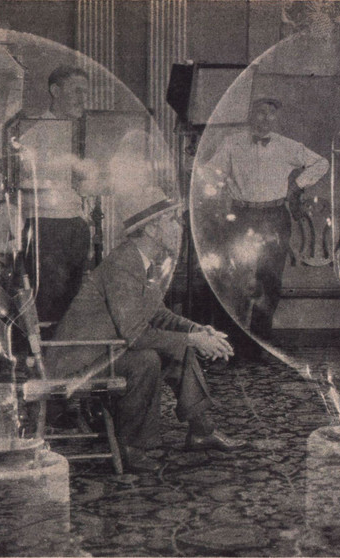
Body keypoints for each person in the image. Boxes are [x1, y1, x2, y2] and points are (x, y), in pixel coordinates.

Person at [45, 190, 246, 473]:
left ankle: (201, 430)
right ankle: (132, 448)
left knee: (179, 346)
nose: (179, 225)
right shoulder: (123, 264)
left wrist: (196, 330)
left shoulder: (142, 261)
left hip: (105, 349)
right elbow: (136, 335)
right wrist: (193, 339)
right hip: (79, 359)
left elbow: (157, 314)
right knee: (146, 360)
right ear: (151, 229)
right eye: (172, 219)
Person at [202, 97, 329, 340]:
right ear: (250, 115)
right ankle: (233, 340)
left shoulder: (286, 146)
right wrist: (219, 188)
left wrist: (297, 185)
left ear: (276, 118)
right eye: (261, 112)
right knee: (236, 278)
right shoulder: (232, 143)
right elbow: (209, 172)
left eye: (271, 114)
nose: (266, 118)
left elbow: (321, 163)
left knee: (269, 279)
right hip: (241, 217)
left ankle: (260, 340)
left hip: (274, 217)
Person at [19, 65, 102, 326]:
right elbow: (21, 182)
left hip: (76, 225)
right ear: (55, 91)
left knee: (73, 305)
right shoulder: (33, 135)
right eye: (76, 91)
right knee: (47, 305)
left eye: (85, 92)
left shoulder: (84, 133)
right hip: (46, 227)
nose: (82, 99)